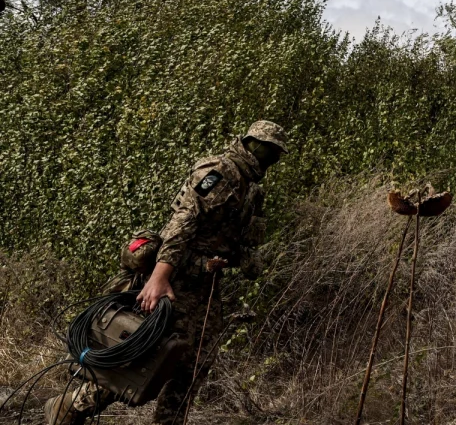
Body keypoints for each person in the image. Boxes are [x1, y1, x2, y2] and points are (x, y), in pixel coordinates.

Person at [46, 120, 287, 425]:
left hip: (206, 286)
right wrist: (159, 277)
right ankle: (71, 408)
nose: (268, 158)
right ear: (251, 144)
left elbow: (241, 238)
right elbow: (181, 223)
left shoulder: (251, 187)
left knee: (195, 363)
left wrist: (248, 259)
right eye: (266, 150)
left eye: (274, 154)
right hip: (178, 279)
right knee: (146, 354)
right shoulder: (218, 173)